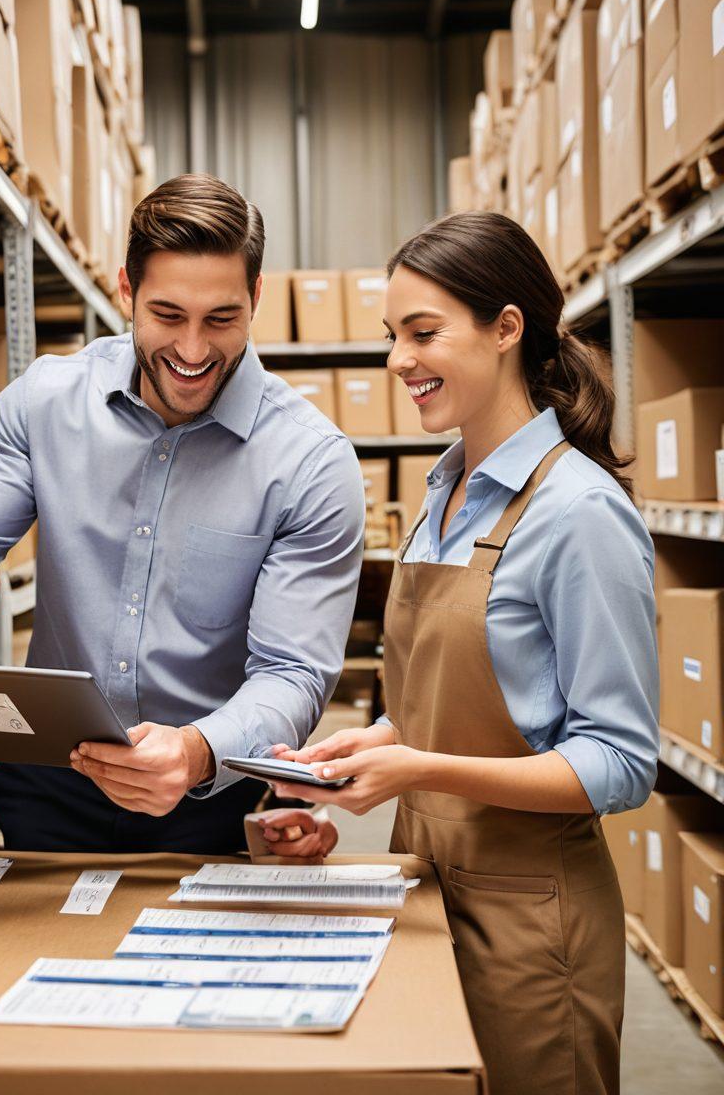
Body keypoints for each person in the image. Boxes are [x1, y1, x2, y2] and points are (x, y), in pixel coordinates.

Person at [258, 212, 659, 1095]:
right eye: (391, 336)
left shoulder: (578, 515)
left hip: (531, 919)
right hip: (423, 886)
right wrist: (359, 752)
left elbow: (621, 761)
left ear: (507, 328)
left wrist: (419, 766)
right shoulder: (445, 494)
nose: (398, 359)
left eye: (423, 331)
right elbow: (466, 701)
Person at [0, 174, 365, 854]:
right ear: (126, 290)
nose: (192, 351)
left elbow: (293, 673)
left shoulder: (310, 462)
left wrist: (196, 752)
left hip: (210, 795)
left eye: (221, 319)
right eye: (168, 315)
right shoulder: (46, 402)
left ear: (256, 298)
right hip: (49, 786)